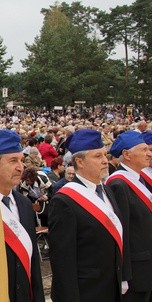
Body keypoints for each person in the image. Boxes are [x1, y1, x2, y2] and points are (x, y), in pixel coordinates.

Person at [49, 129, 125, 302]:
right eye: (98, 156)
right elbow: (62, 260)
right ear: (79, 162)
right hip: (87, 292)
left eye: (105, 155)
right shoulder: (64, 201)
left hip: (111, 288)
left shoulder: (106, 190)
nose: (105, 161)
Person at [0, 129, 45, 302]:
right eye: (13, 160)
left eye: (21, 160)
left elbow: (33, 259)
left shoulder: (24, 203)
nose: (21, 167)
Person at [106, 131, 152, 301]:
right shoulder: (119, 184)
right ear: (127, 154)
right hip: (136, 272)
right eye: (143, 150)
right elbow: (122, 230)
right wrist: (124, 275)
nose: (148, 154)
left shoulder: (138, 179)